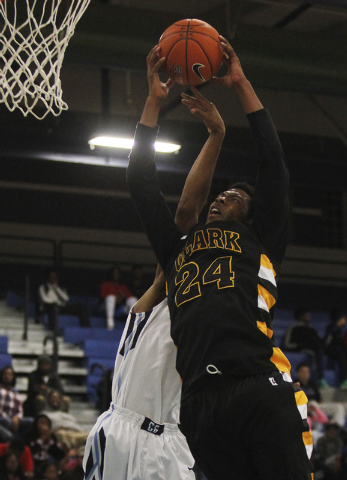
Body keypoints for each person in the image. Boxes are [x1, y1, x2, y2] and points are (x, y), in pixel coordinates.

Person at [126, 39, 313, 480]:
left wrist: (240, 83)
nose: (222, 198)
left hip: (256, 384)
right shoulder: (177, 249)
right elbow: (140, 182)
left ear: (252, 214)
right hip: (200, 404)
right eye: (220, 195)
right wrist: (153, 102)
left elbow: (274, 164)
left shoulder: (261, 237)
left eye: (234, 198)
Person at [83, 266, 195, 480]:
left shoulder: (202, 317)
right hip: (124, 433)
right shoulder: (146, 313)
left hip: (170, 440)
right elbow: (159, 282)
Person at [282, 308, 327, 387]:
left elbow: (319, 343)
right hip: (301, 350)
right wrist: (300, 346)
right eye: (307, 315)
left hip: (314, 350)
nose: (309, 317)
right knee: (315, 354)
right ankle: (319, 379)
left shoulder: (312, 329)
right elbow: (287, 344)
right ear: (301, 316)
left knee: (319, 352)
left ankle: (319, 379)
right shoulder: (293, 328)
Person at [294, 362, 346, 428]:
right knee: (312, 403)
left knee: (338, 407)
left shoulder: (312, 384)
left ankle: (337, 427)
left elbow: (319, 399)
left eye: (307, 372)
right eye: (303, 372)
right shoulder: (295, 384)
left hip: (316, 406)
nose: (305, 374)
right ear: (298, 373)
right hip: (305, 407)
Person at [0, 366, 33, 442]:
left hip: (13, 420)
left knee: (31, 421)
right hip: (2, 418)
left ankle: (23, 443)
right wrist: (9, 419)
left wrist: (17, 418)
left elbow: (20, 410)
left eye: (10, 374)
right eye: (5, 374)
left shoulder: (15, 392)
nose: (7, 376)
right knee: (6, 421)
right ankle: (13, 440)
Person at [99, 265, 137, 329]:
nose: (116, 275)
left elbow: (130, 298)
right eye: (114, 273)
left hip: (119, 309)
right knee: (111, 298)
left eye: (117, 273)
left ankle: (133, 324)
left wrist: (123, 297)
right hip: (105, 308)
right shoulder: (106, 284)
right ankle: (110, 323)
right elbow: (102, 296)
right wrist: (115, 297)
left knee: (133, 299)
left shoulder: (122, 286)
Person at [324, 309, 347, 388]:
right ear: (339, 319)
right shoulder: (332, 328)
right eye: (343, 318)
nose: (345, 320)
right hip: (330, 350)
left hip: (337, 350)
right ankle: (344, 380)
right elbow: (327, 342)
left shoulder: (340, 330)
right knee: (341, 353)